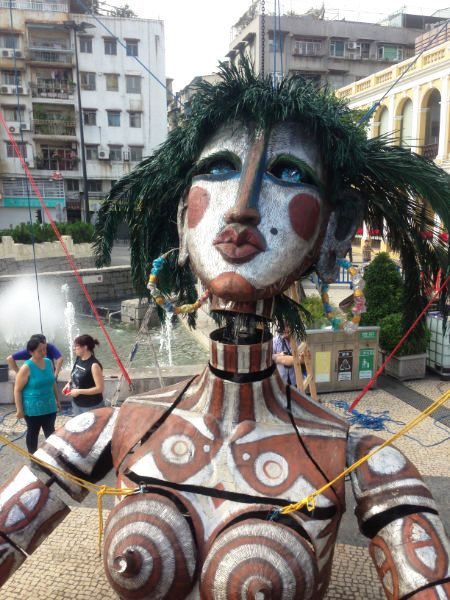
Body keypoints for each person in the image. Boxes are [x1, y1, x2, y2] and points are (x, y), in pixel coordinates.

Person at [14, 335, 60, 455]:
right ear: (31, 352)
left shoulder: (48, 362)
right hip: (33, 408)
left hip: (49, 405)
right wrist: (19, 409)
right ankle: (33, 457)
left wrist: (57, 400)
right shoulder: (26, 367)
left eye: (45, 349)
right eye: (40, 351)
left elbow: (53, 383)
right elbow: (17, 390)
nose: (44, 352)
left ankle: (52, 456)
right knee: (33, 432)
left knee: (51, 432)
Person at [64, 334, 105, 415]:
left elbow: (100, 388)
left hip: (91, 406)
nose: (74, 348)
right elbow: (75, 374)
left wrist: (79, 391)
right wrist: (69, 384)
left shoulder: (94, 365)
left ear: (85, 347)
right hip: (77, 403)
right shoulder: (79, 358)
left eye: (76, 346)